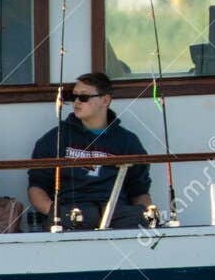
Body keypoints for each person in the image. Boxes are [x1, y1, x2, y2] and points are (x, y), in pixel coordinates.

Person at [28, 73, 152, 230]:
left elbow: (139, 190)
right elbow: (36, 187)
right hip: (70, 214)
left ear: (105, 100)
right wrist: (55, 212)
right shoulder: (54, 138)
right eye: (73, 97)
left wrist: (143, 214)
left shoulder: (128, 141)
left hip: (118, 215)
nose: (77, 102)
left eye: (84, 97)